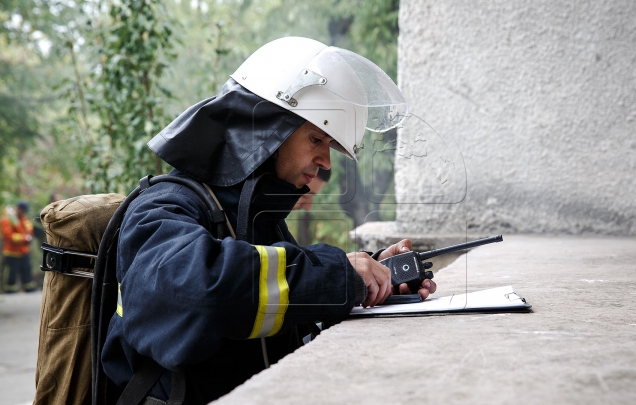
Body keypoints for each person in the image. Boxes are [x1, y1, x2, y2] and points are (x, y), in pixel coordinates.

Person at [101, 37, 436, 404]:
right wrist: (338, 275)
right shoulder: (162, 207)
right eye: (317, 139)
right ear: (267, 131)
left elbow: (278, 302)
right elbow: (201, 291)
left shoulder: (260, 220)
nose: (326, 161)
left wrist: (371, 279)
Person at [1, 201, 36, 293]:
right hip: (11, 251)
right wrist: (23, 238)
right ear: (18, 209)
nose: (23, 212)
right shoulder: (7, 219)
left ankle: (29, 288)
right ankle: (9, 289)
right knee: (11, 272)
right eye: (22, 210)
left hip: (23, 251)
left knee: (26, 270)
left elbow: (29, 228)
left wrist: (28, 234)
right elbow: (8, 235)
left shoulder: (23, 219)